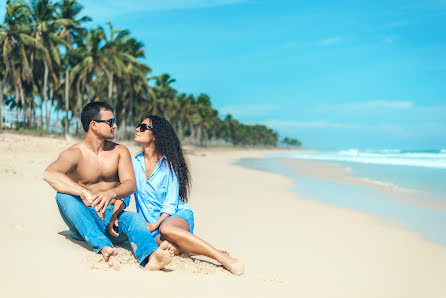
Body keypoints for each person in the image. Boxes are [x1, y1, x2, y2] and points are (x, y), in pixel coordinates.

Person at [43, 102, 175, 270]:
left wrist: (111, 194)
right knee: (62, 196)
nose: (115, 125)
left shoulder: (119, 151)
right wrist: (84, 192)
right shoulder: (75, 153)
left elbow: (130, 185)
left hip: (112, 219)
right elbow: (49, 174)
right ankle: (103, 246)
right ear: (94, 125)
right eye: (110, 122)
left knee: (134, 218)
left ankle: (151, 256)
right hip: (82, 221)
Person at [130, 115, 244, 275]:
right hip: (151, 225)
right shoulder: (133, 164)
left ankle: (223, 259)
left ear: (155, 136)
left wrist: (154, 225)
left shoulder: (168, 165)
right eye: (138, 126)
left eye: (142, 127)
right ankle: (204, 248)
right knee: (164, 246)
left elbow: (170, 204)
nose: (137, 129)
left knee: (167, 229)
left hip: (175, 216)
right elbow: (126, 191)